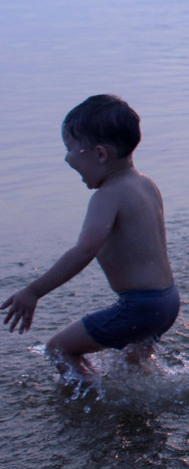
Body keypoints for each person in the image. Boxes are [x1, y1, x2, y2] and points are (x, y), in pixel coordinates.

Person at [2, 95, 179, 379]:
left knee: (59, 348)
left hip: (140, 305)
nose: (66, 157)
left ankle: (93, 408)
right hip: (167, 301)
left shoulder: (107, 197)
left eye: (70, 148)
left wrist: (33, 291)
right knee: (133, 371)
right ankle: (134, 410)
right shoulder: (145, 184)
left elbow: (84, 251)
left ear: (99, 154)